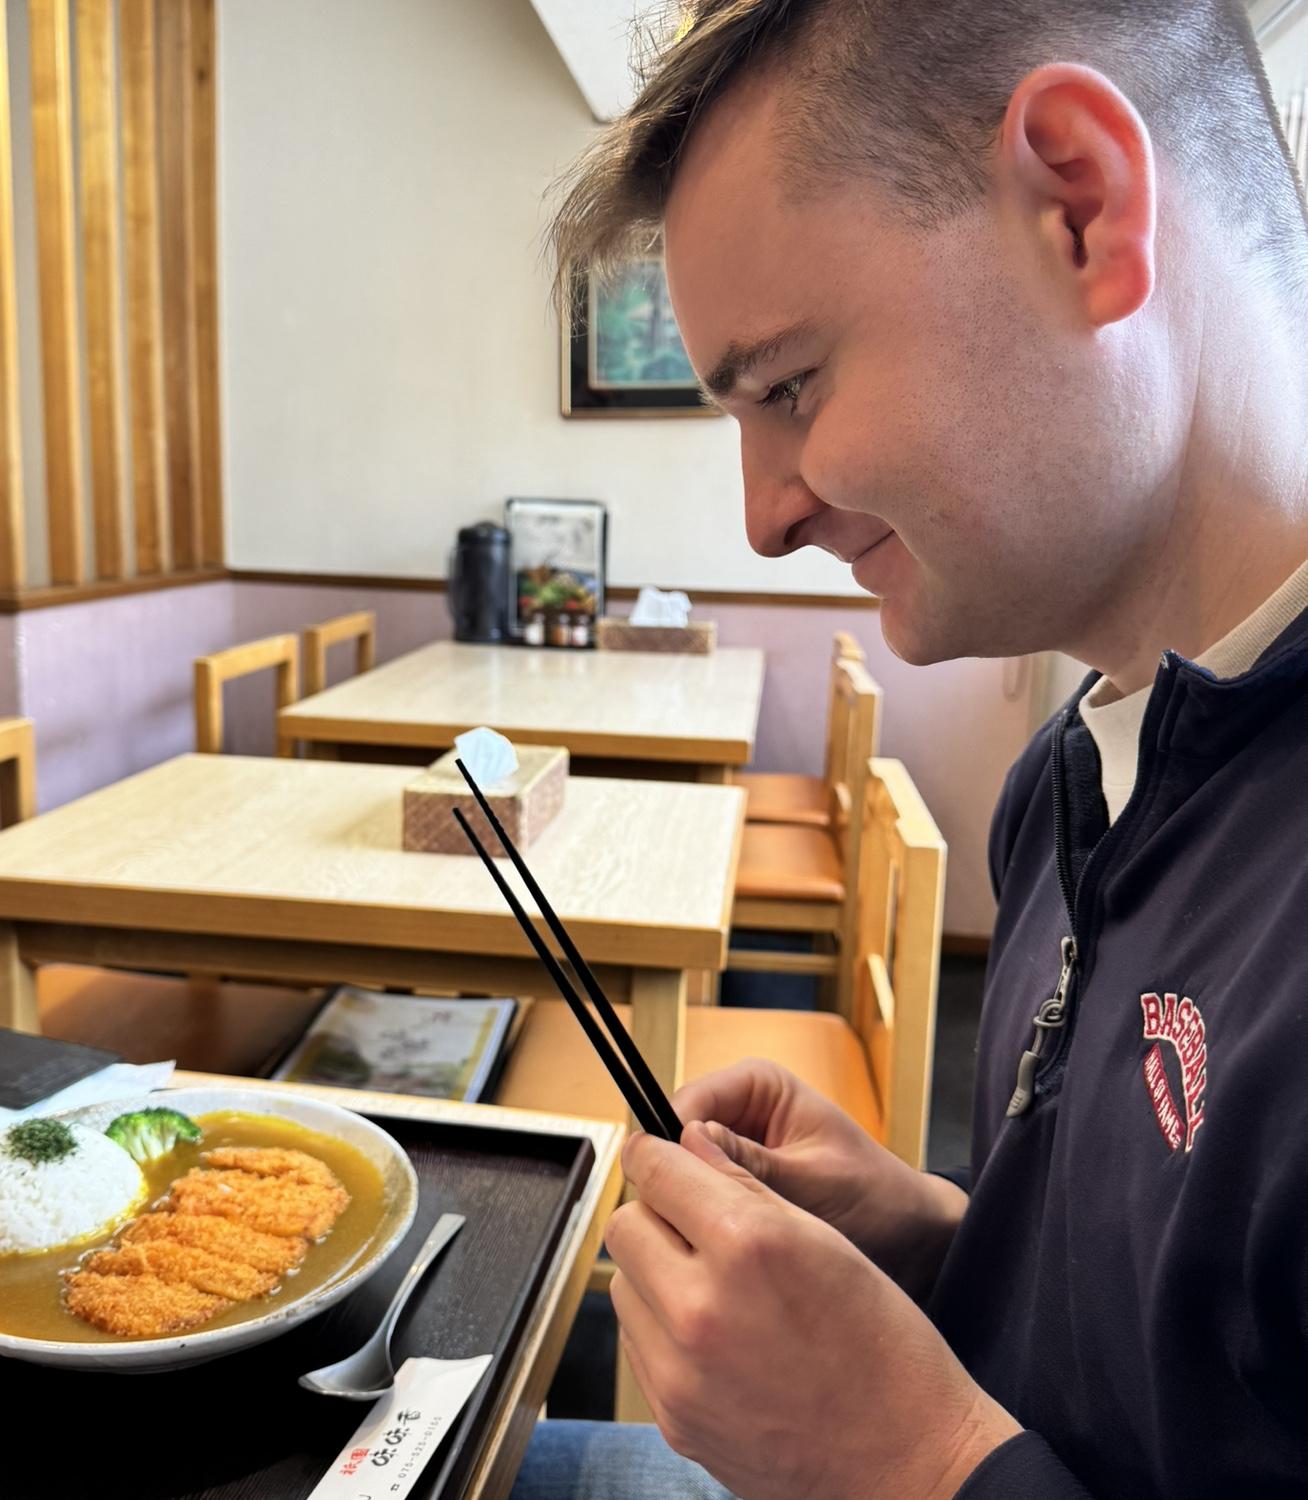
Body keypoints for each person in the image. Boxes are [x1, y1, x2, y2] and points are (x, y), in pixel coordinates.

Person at [511, 1, 1308, 1496]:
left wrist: (906, 1452)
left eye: (789, 387)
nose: (765, 517)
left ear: (1081, 208)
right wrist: (939, 1238)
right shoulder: (1069, 783)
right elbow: (1171, 1382)